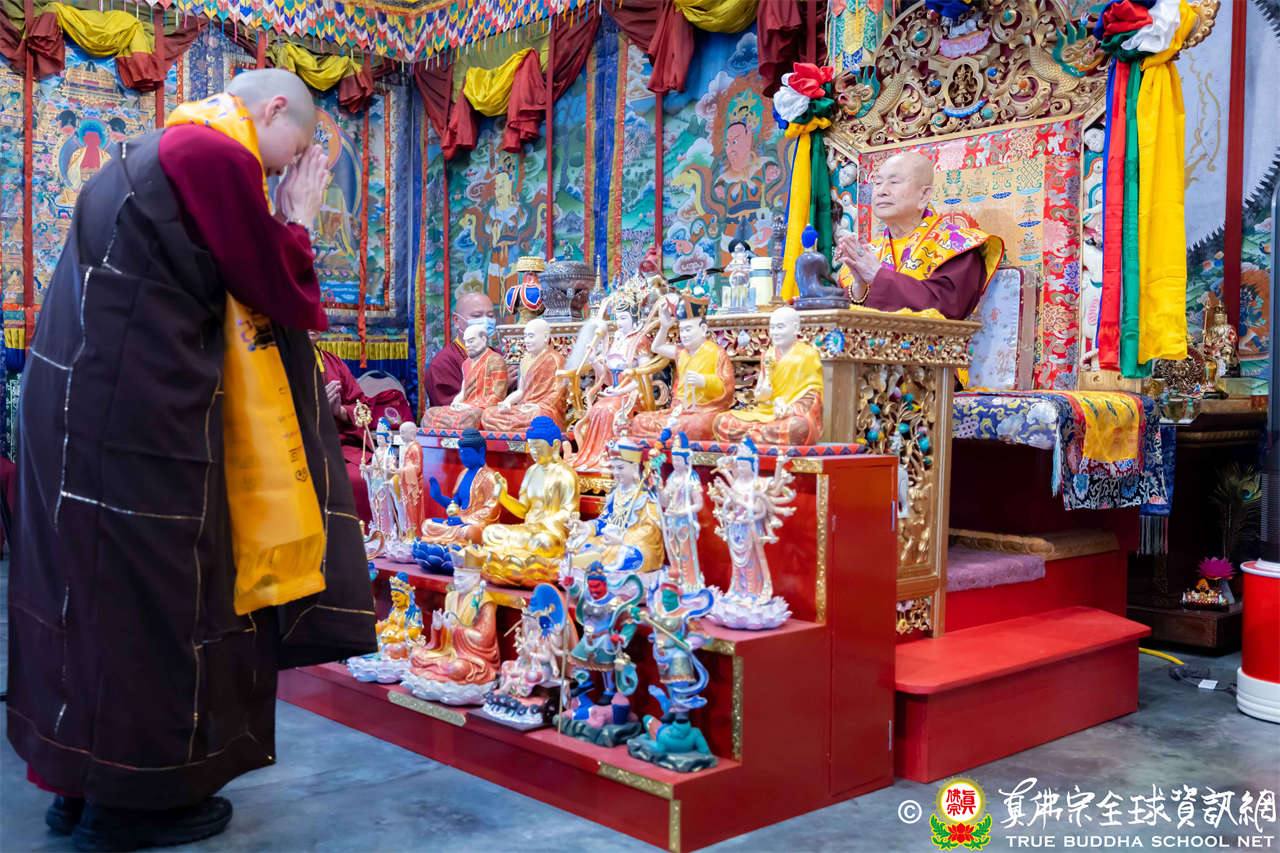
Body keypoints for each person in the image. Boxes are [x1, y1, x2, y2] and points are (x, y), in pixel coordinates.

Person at [7, 69, 377, 851]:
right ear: (272, 109)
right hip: (135, 414)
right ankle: (134, 805)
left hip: (85, 402)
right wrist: (296, 219)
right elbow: (275, 288)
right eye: (296, 151)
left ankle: (79, 786)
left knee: (88, 595)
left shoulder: (154, 149)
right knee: (156, 600)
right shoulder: (210, 155)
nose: (289, 169)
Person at [835, 152, 1004, 319]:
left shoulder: (957, 246)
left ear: (924, 195)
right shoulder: (869, 252)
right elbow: (839, 319)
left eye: (894, 182)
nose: (881, 191)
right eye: (878, 183)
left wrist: (878, 276)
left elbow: (946, 308)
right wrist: (859, 287)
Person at [311, 329, 413, 524]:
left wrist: (339, 411)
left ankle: (375, 535)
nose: (310, 325)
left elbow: (363, 408)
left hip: (341, 448)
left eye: (314, 318)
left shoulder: (334, 363)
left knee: (374, 476)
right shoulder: (281, 363)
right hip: (301, 448)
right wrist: (314, 406)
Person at [425, 291, 496, 407]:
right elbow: (452, 410)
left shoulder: (497, 354)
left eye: (491, 316)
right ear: (456, 321)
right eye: (476, 316)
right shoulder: (443, 364)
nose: (486, 321)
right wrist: (499, 386)